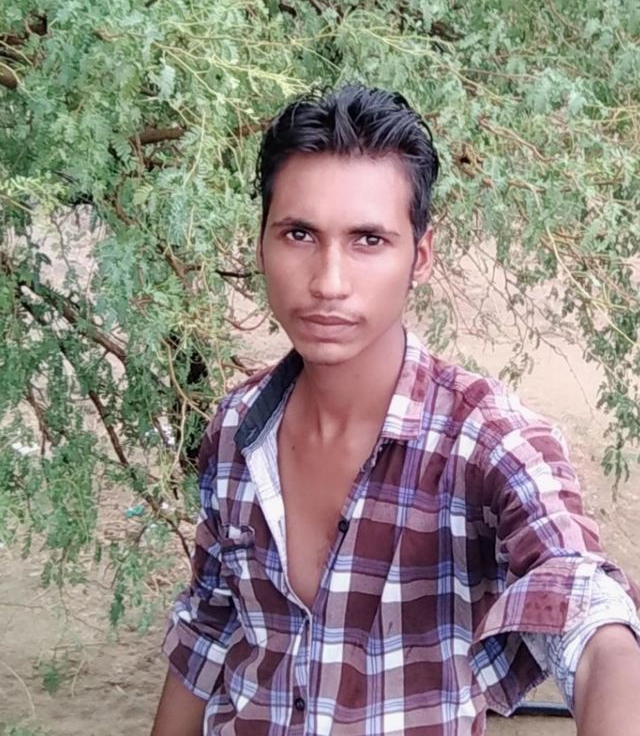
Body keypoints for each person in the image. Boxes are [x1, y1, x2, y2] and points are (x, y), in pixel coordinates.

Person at [151, 85, 640, 736]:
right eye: (299, 233)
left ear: (421, 256)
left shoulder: (486, 440)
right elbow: (208, 629)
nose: (328, 281)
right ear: (261, 243)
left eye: (368, 239)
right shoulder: (238, 427)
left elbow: (587, 611)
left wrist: (611, 659)